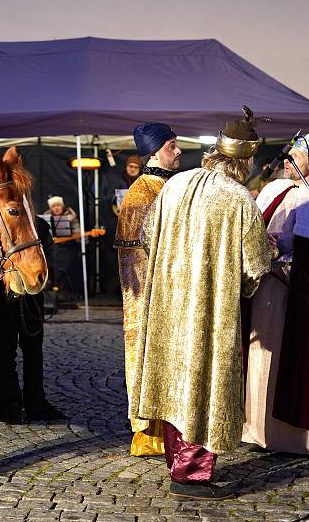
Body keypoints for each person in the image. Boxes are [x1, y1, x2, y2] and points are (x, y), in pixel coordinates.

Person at [130, 106, 271, 500]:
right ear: (244, 163)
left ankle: (178, 458)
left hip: (168, 308)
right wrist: (240, 282)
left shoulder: (175, 184)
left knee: (176, 383)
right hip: (210, 309)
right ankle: (190, 475)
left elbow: (146, 237)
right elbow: (257, 264)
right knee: (202, 384)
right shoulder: (238, 197)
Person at [242, 133, 309, 455]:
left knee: (285, 356)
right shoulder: (274, 189)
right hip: (266, 288)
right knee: (262, 358)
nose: (288, 161)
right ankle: (256, 429)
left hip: (294, 292)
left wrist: (281, 252)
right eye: (288, 156)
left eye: (296, 157)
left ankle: (290, 435)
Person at [114, 123, 181, 457]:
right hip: (151, 298)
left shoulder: (170, 185)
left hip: (170, 293)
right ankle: (149, 432)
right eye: (172, 145)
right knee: (147, 359)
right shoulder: (142, 191)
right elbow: (134, 257)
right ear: (154, 151)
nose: (179, 151)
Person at [0, 216, 65, 424]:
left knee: (33, 351)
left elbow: (46, 259)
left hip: (30, 297)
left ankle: (35, 402)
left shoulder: (38, 225)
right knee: (4, 352)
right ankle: (7, 404)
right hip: (1, 295)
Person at [44, 195, 82, 300]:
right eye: (54, 206)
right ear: (51, 208)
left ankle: (73, 293)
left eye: (58, 206)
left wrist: (76, 235)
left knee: (69, 263)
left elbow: (78, 235)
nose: (56, 208)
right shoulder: (46, 218)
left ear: (62, 207)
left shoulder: (71, 217)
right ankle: (52, 293)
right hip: (53, 248)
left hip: (68, 247)